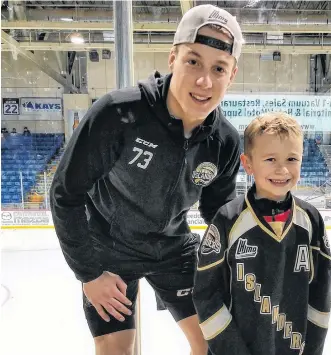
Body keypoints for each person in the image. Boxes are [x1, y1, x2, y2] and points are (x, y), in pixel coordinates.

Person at [49, 4, 243, 355]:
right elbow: (66, 194)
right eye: (193, 61)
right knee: (116, 350)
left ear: (232, 75)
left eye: (219, 68)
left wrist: (239, 260)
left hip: (173, 247)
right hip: (108, 247)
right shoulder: (118, 114)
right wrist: (89, 274)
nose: (204, 81)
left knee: (215, 345)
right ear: (173, 58)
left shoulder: (224, 141)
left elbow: (218, 212)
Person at [193, 112, 331, 355]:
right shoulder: (228, 219)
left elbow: (320, 296)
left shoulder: (311, 220)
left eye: (292, 158)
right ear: (247, 164)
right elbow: (207, 295)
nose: (282, 169)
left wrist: (312, 350)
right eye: (270, 159)